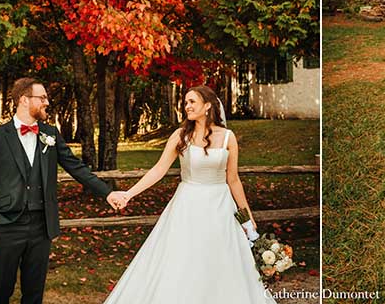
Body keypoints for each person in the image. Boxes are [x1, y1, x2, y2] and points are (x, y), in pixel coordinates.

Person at [103, 85, 275, 303]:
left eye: (192, 101)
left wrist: (247, 217)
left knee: (220, 259)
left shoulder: (228, 137)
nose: (187, 106)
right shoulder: (180, 136)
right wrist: (128, 194)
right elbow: (158, 170)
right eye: (185, 102)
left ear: (208, 105)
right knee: (183, 260)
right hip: (187, 207)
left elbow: (233, 180)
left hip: (220, 208)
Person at [0, 77, 127, 304]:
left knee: (34, 294)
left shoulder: (50, 134)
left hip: (41, 226)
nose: (47, 102)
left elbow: (76, 168)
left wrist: (107, 193)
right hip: (7, 225)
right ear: (24, 100)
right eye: (42, 98)